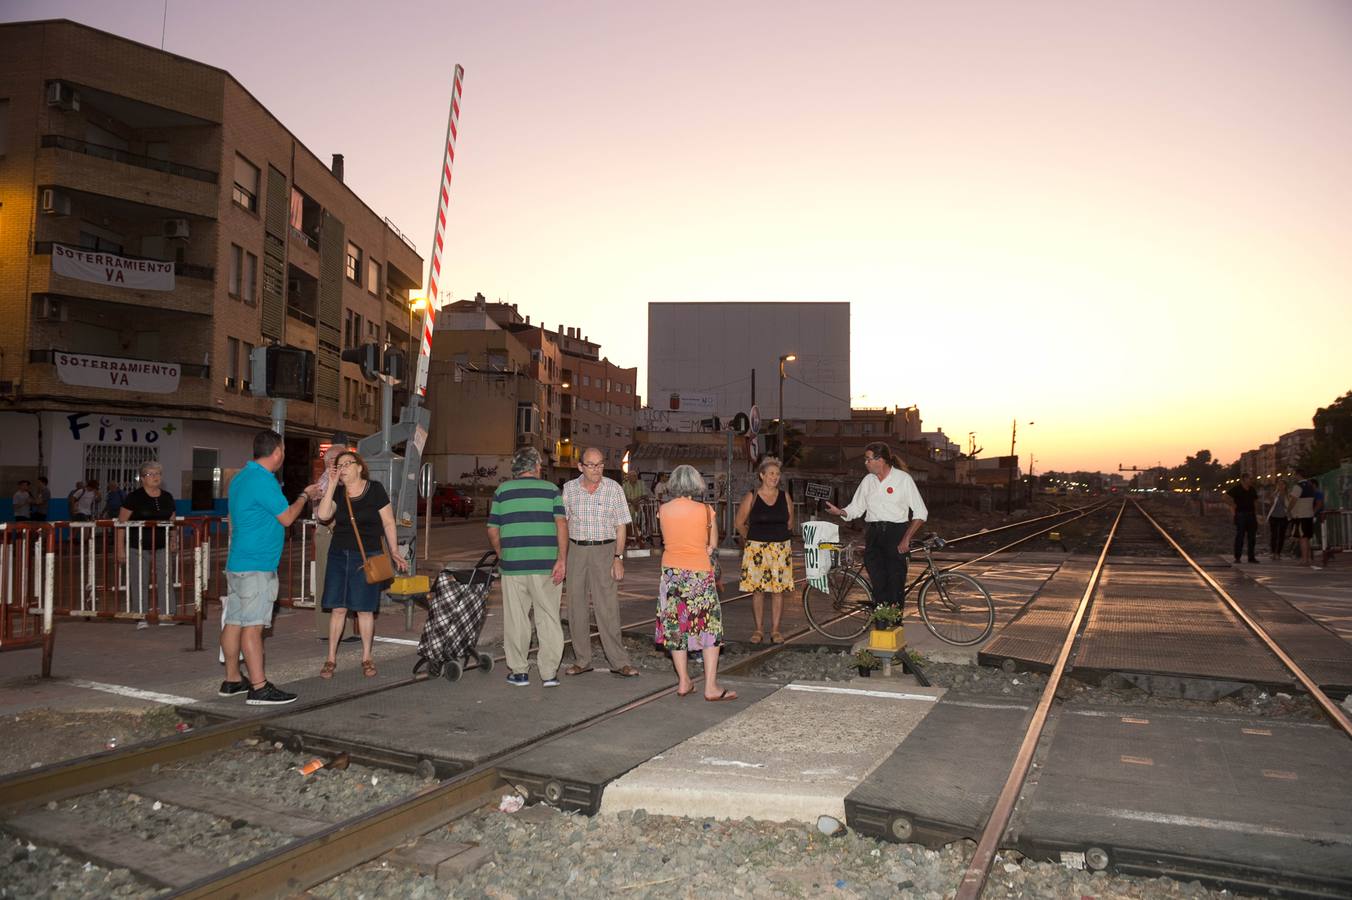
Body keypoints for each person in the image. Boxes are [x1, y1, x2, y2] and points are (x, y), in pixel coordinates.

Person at [221, 430, 318, 705]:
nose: (283, 455)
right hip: (257, 565)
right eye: (283, 451)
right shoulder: (264, 481)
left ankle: (231, 679)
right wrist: (304, 496)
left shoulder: (240, 478)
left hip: (238, 562)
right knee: (253, 627)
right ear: (276, 452)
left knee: (234, 622)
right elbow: (287, 518)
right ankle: (259, 687)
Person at [314, 450, 407, 678]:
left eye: (348, 463)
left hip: (367, 556)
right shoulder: (336, 492)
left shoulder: (374, 489)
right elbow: (324, 516)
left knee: (364, 610)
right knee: (338, 608)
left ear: (359, 467)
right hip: (339, 554)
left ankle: (366, 657)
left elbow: (388, 522)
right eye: (339, 465)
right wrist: (332, 486)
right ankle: (330, 659)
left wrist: (394, 550)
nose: (343, 468)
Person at [487, 447, 568, 687]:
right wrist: (562, 559)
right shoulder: (551, 490)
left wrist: (502, 553)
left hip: (514, 565)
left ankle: (520, 672)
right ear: (536, 467)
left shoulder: (502, 491)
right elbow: (561, 524)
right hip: (546, 565)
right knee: (549, 617)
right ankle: (549, 673)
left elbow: (492, 528)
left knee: (517, 618)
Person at [657, 464, 737, 702]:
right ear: (696, 483)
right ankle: (710, 687)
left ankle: (683, 681)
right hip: (699, 574)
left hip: (671, 573)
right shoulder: (705, 511)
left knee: (676, 628)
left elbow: (666, 540)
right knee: (709, 628)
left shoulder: (663, 510)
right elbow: (711, 547)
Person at [562, 447, 638, 678]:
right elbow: (562, 525)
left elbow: (621, 526)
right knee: (576, 606)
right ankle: (582, 660)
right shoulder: (569, 490)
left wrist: (618, 557)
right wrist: (562, 558)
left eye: (600, 464)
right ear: (580, 466)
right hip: (576, 549)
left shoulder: (613, 489)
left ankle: (619, 661)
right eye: (591, 465)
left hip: (605, 549)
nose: (597, 469)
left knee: (607, 607)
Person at [823, 442, 928, 610]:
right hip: (873, 534)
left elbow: (921, 513)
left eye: (868, 459)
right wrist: (840, 512)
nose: (865, 463)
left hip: (896, 534)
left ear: (881, 460)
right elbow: (856, 508)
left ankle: (893, 626)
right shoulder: (868, 481)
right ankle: (881, 624)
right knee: (878, 583)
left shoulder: (903, 479)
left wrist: (906, 539)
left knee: (895, 583)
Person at [735, 456, 795, 644]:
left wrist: (777, 540)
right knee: (758, 591)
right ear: (762, 475)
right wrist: (752, 540)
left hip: (780, 549)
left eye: (777, 474)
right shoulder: (752, 496)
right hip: (757, 550)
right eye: (770, 474)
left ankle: (775, 631)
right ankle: (759, 630)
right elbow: (739, 523)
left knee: (778, 591)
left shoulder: (785, 496)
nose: (774, 477)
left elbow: (790, 522)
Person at [117, 461, 178, 626]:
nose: (155, 477)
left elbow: (172, 520)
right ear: (142, 478)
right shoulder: (133, 497)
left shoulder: (167, 497)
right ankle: (141, 616)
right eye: (151, 474)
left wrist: (173, 539)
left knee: (166, 580)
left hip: (162, 545)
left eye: (158, 474)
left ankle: (167, 615)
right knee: (139, 581)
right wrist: (120, 549)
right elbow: (121, 524)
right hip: (138, 546)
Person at [312, 443, 345, 634]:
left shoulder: (334, 481)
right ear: (332, 461)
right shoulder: (327, 481)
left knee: (336, 580)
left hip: (332, 532)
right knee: (328, 580)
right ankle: (327, 630)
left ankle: (339, 630)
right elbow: (323, 513)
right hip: (328, 532)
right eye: (343, 460)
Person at [1225, 473, 1260, 564]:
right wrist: (1232, 505)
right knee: (1240, 536)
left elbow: (1255, 501)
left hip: (1251, 515)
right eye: (1249, 479)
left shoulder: (1252, 489)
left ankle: (1251, 557)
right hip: (1241, 515)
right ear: (1244, 479)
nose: (1251, 480)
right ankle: (1237, 557)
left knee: (1252, 537)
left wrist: (1256, 514)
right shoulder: (1237, 489)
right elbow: (1225, 497)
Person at [1288, 473, 1319, 569]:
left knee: (1302, 538)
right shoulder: (1310, 486)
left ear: (1298, 475)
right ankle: (1308, 558)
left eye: (1294, 475)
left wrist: (1288, 510)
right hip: (1309, 515)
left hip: (1300, 515)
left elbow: (1293, 500)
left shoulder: (1298, 486)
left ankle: (1304, 559)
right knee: (1307, 538)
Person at [1265, 479, 1289, 560]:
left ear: (1285, 486)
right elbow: (1270, 504)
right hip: (1274, 517)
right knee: (1274, 535)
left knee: (1281, 536)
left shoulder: (1287, 495)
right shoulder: (1275, 494)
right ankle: (1273, 553)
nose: (1280, 486)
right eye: (1279, 484)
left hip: (1283, 517)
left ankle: (1278, 553)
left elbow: (1289, 505)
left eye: (1282, 484)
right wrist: (1271, 498)